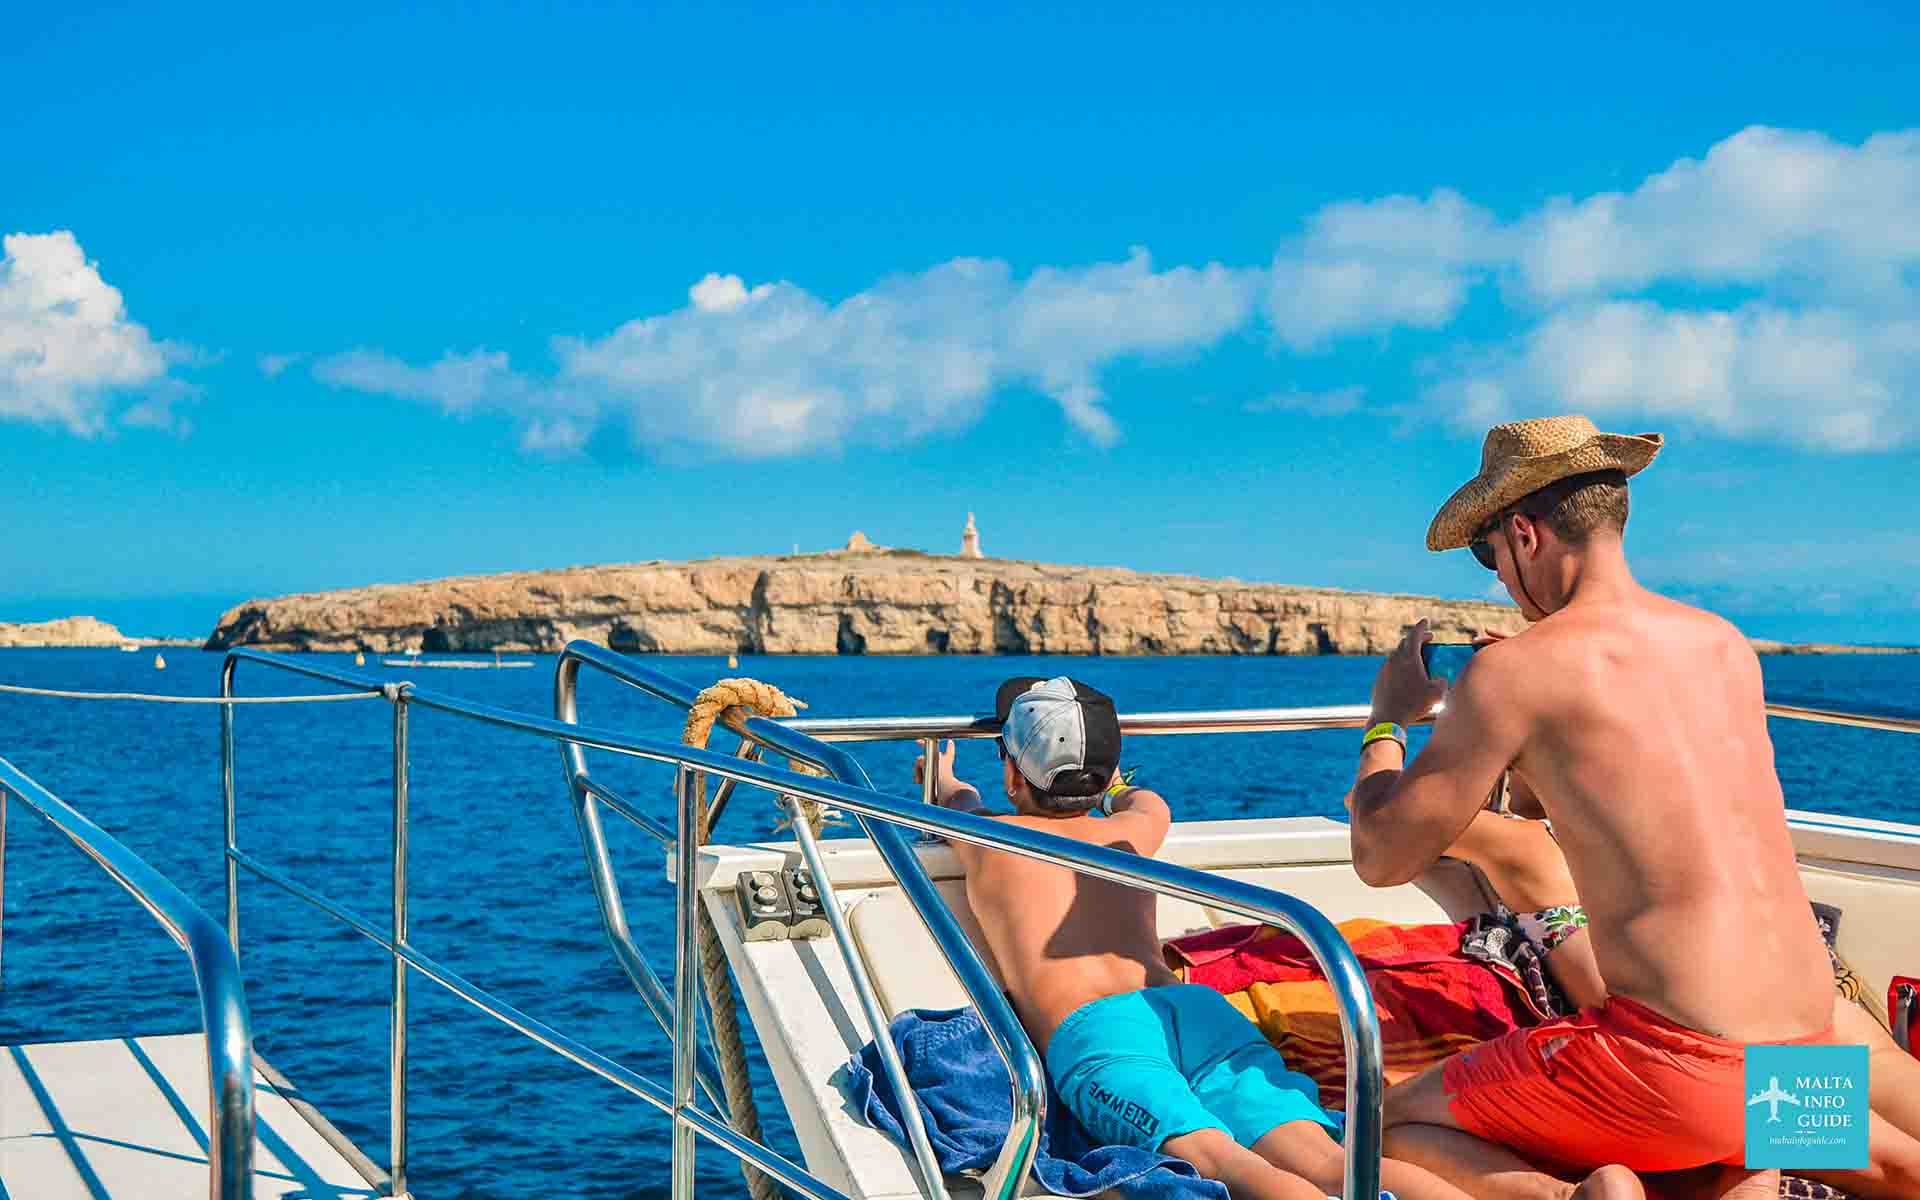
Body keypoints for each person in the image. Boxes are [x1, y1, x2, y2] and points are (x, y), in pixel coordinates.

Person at [1344, 415, 1836, 1200]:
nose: (1498, 579)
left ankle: (1579, 1197)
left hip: (1681, 1072)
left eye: (1489, 554)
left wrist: (1388, 722)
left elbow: (1379, 858)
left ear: (1527, 533)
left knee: (1380, 1124)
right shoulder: (1724, 644)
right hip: (1811, 1065)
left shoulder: (1518, 673)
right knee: (1717, 1148)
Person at [917, 675, 1473, 1200]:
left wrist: (943, 781)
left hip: (1101, 1032)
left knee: (1222, 1160)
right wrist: (1112, 791)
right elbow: (1146, 799)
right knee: (1331, 1159)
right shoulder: (1130, 830)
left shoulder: (986, 836)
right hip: (1188, 1009)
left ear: (1013, 777)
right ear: (1107, 776)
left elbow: (958, 801)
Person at [1446, 774, 1920, 1200]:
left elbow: (1387, 828)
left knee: (1888, 1160)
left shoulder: (1523, 841)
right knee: (1893, 1139)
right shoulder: (1685, 824)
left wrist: (1391, 724)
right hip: (1786, 1005)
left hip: (1702, 1045)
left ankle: (1746, 1171)